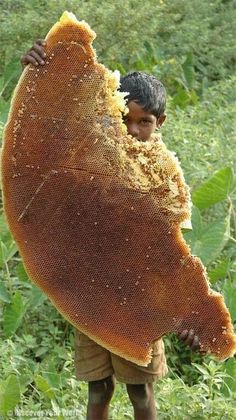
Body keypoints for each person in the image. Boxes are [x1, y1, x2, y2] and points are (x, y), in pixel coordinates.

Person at [21, 40, 201, 420]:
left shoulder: (164, 179)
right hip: (90, 296)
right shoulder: (92, 158)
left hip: (140, 302)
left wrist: (188, 309)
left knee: (140, 393)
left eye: (145, 122)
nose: (133, 130)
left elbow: (173, 252)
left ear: (160, 123)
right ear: (111, 114)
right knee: (98, 389)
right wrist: (41, 71)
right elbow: (49, 131)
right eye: (125, 119)